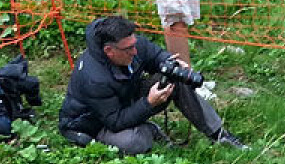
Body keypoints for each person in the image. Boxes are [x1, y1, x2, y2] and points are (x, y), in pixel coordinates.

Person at [59, 16, 246, 154]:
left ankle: (219, 135)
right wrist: (148, 104)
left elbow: (156, 55)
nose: (135, 51)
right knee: (133, 143)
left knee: (174, 79)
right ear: (109, 51)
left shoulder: (130, 44)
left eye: (134, 44)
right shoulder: (95, 78)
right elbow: (115, 121)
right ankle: (149, 130)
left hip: (125, 99)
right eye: (129, 49)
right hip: (93, 122)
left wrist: (171, 63)